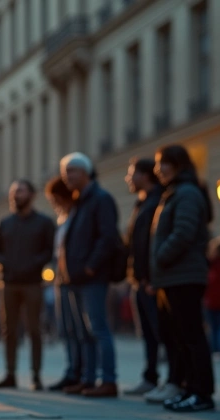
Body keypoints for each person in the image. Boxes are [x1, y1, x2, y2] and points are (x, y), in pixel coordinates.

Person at [150, 145, 216, 413]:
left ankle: (202, 392)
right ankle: (190, 389)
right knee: (181, 336)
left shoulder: (186, 193)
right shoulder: (176, 192)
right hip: (172, 276)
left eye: (161, 163)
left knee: (191, 336)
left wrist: (160, 257)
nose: (157, 169)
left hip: (183, 275)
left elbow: (184, 232)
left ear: (176, 164)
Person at [58, 152, 122, 398]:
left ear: (85, 172)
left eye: (72, 172)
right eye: (65, 173)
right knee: (83, 332)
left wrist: (90, 266)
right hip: (75, 277)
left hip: (91, 276)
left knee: (98, 328)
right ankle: (88, 379)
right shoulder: (80, 201)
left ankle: (108, 380)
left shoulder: (100, 199)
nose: (68, 177)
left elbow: (108, 237)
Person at [0, 180, 55, 391]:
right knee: (8, 330)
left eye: (19, 191)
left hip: (33, 283)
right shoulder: (4, 222)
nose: (15, 195)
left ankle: (36, 376)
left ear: (31, 195)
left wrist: (33, 264)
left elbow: (49, 250)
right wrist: (5, 264)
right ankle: (10, 374)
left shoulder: (44, 222)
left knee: (34, 329)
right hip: (8, 283)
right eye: (13, 192)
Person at [122, 157, 167, 398]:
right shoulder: (141, 202)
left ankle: (172, 380)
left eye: (132, 173)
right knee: (149, 333)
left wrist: (149, 276)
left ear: (145, 175)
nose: (128, 178)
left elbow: (151, 243)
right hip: (139, 279)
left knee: (161, 331)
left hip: (151, 280)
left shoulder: (156, 201)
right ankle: (151, 376)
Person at [45, 177, 83, 391]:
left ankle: (81, 372)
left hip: (74, 278)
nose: (53, 203)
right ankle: (71, 371)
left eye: (54, 199)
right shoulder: (62, 219)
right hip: (61, 279)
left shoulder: (77, 216)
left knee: (80, 329)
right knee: (66, 328)